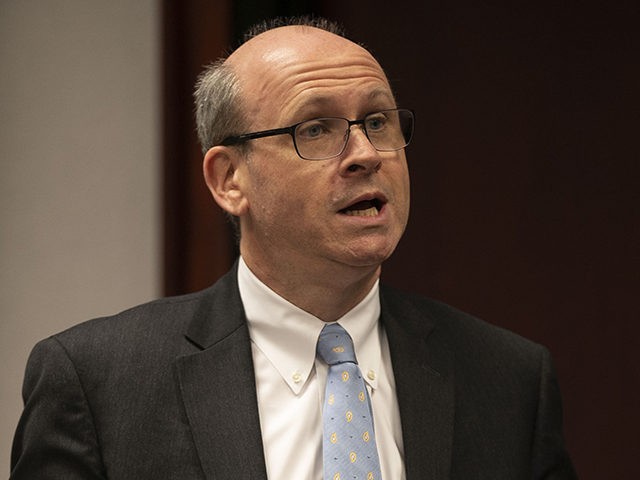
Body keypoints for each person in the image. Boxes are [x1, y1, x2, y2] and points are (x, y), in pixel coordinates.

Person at [10, 17, 576, 479]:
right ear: (230, 179)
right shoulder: (99, 384)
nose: (365, 154)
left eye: (377, 121)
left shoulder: (510, 381)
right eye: (315, 130)